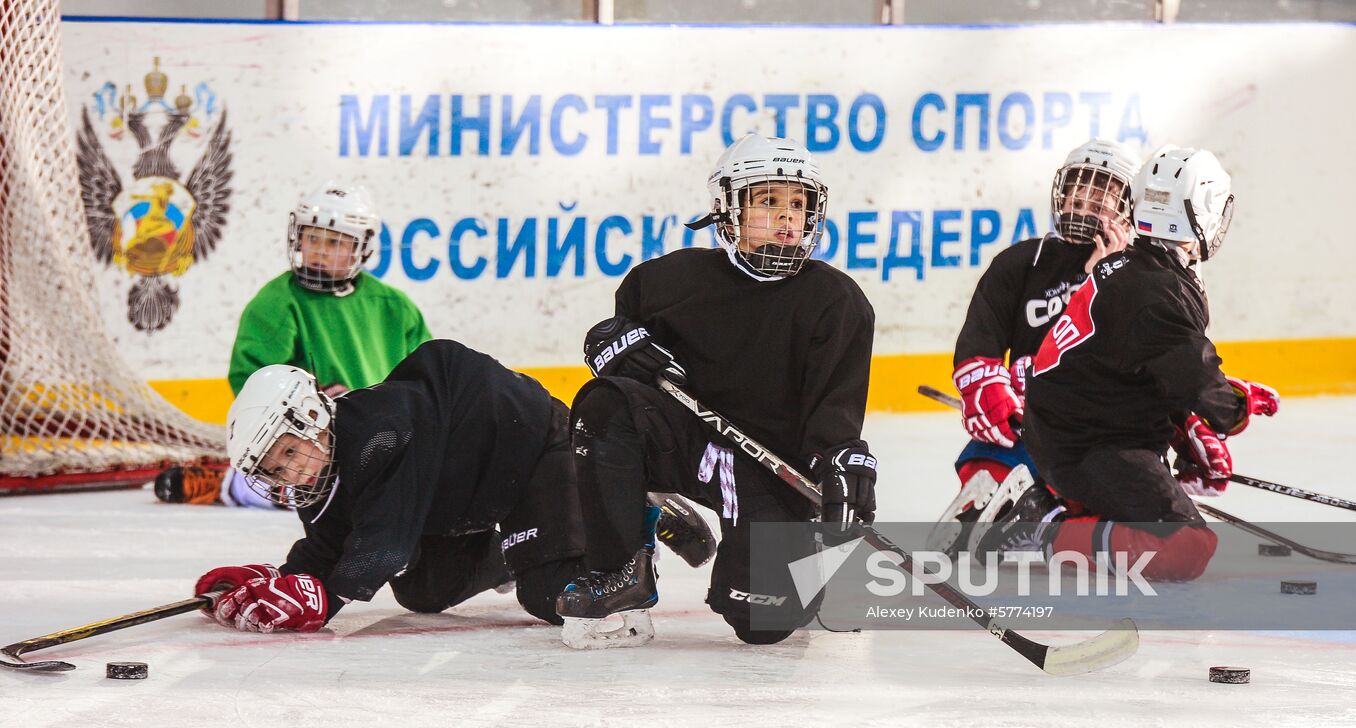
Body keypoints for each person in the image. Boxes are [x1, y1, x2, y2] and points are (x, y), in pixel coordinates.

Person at [553, 134, 877, 648]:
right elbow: (625, 377)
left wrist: (841, 457)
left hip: (766, 468)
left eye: (799, 203)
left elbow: (832, 416)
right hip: (683, 441)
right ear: (728, 209)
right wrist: (605, 341)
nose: (788, 218)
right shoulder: (660, 283)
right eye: (768, 201)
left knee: (762, 624)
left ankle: (797, 556)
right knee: (604, 404)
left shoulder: (837, 302)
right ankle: (621, 569)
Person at [980, 146, 1280, 582]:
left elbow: (1143, 365)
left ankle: (1064, 507)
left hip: (1080, 433)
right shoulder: (1157, 290)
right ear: (1204, 210)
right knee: (1187, 549)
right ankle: (1039, 527)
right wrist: (1234, 407)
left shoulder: (1137, 267)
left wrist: (1182, 429)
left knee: (1159, 526)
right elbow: (1204, 388)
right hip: (1091, 447)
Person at [192, 340, 586, 631]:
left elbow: (385, 546)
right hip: (470, 493)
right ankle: (513, 554)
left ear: (311, 416)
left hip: (534, 449)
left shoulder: (377, 435)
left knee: (554, 597)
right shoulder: (320, 469)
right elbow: (331, 546)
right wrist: (279, 580)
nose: (289, 475)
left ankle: (621, 545)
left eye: (290, 454)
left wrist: (321, 602)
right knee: (425, 590)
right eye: (274, 471)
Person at [155, 181, 430, 507]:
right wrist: (307, 407)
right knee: (321, 492)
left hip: (384, 440)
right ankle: (228, 485)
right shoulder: (275, 302)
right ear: (296, 236)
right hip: (308, 445)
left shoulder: (395, 306)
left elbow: (425, 379)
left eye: (336, 242)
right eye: (312, 237)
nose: (320, 251)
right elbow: (251, 384)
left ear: (362, 247)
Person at [938, 140, 1140, 542]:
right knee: (993, 462)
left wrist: (1106, 280)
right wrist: (990, 390)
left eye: (1102, 193)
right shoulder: (1021, 263)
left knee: (1120, 517)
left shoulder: (1141, 275)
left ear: (1127, 207)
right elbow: (981, 339)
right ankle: (996, 495)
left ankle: (1048, 525)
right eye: (1078, 188)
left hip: (1100, 430)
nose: (1085, 201)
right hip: (1028, 421)